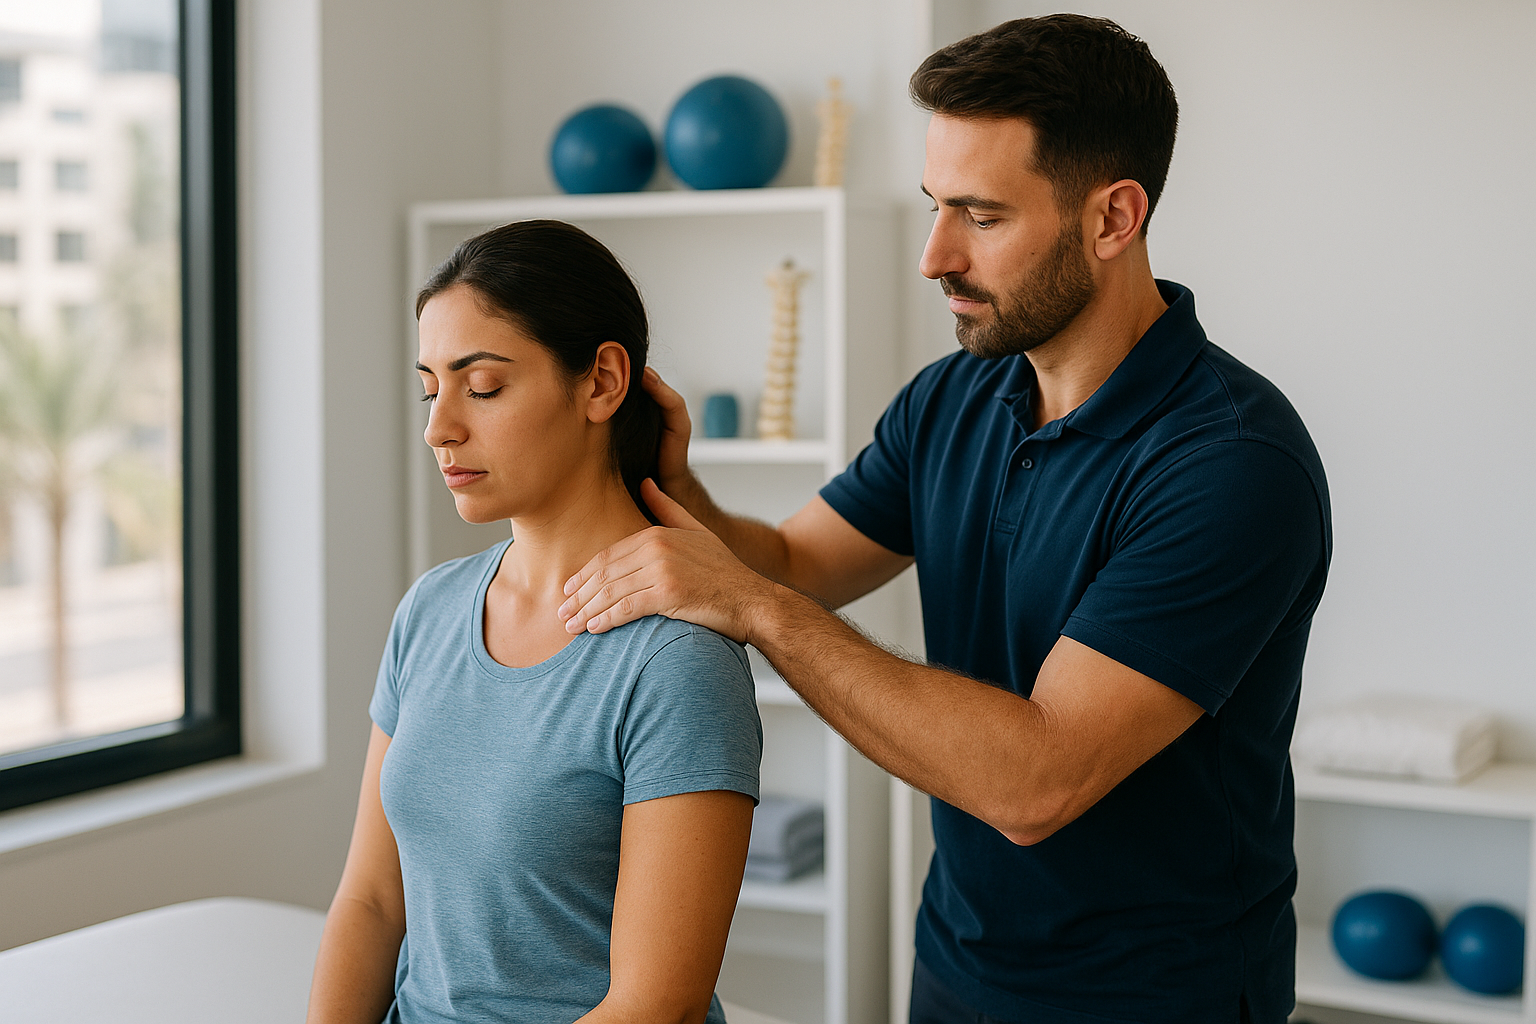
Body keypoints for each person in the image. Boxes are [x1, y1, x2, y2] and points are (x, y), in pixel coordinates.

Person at [557, 15, 1331, 1024]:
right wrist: (678, 496)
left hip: (1156, 996)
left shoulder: (1230, 463)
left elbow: (1036, 781)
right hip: (958, 965)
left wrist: (752, 607)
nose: (934, 255)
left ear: (1113, 218)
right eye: (935, 205)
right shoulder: (952, 400)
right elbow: (796, 559)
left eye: (980, 214)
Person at [306, 220, 762, 1024]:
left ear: (601, 382)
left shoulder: (677, 660)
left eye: (481, 386)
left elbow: (655, 1003)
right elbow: (374, 903)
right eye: (430, 388)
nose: (438, 426)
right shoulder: (431, 611)